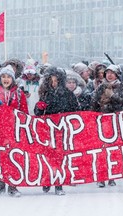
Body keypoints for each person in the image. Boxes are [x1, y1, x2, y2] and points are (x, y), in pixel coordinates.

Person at [0, 65, 28, 197]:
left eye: (8, 77)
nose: (6, 79)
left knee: (13, 157)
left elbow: (24, 112)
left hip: (14, 129)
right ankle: (1, 183)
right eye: (3, 76)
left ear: (13, 79)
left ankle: (13, 185)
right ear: (0, 78)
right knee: (0, 156)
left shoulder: (19, 94)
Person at [34, 66, 79, 195]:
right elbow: (38, 114)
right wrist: (39, 107)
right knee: (47, 157)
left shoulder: (68, 94)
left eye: (56, 81)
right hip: (48, 131)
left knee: (59, 158)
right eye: (51, 81)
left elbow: (75, 111)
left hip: (62, 130)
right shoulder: (45, 94)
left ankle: (58, 184)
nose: (54, 83)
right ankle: (47, 180)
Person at [91, 64, 123, 187]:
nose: (110, 75)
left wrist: (112, 96)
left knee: (114, 151)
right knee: (101, 150)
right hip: (102, 122)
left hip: (116, 122)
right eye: (108, 72)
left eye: (113, 72)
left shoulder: (122, 87)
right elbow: (93, 103)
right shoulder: (100, 87)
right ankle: (101, 177)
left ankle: (112, 176)